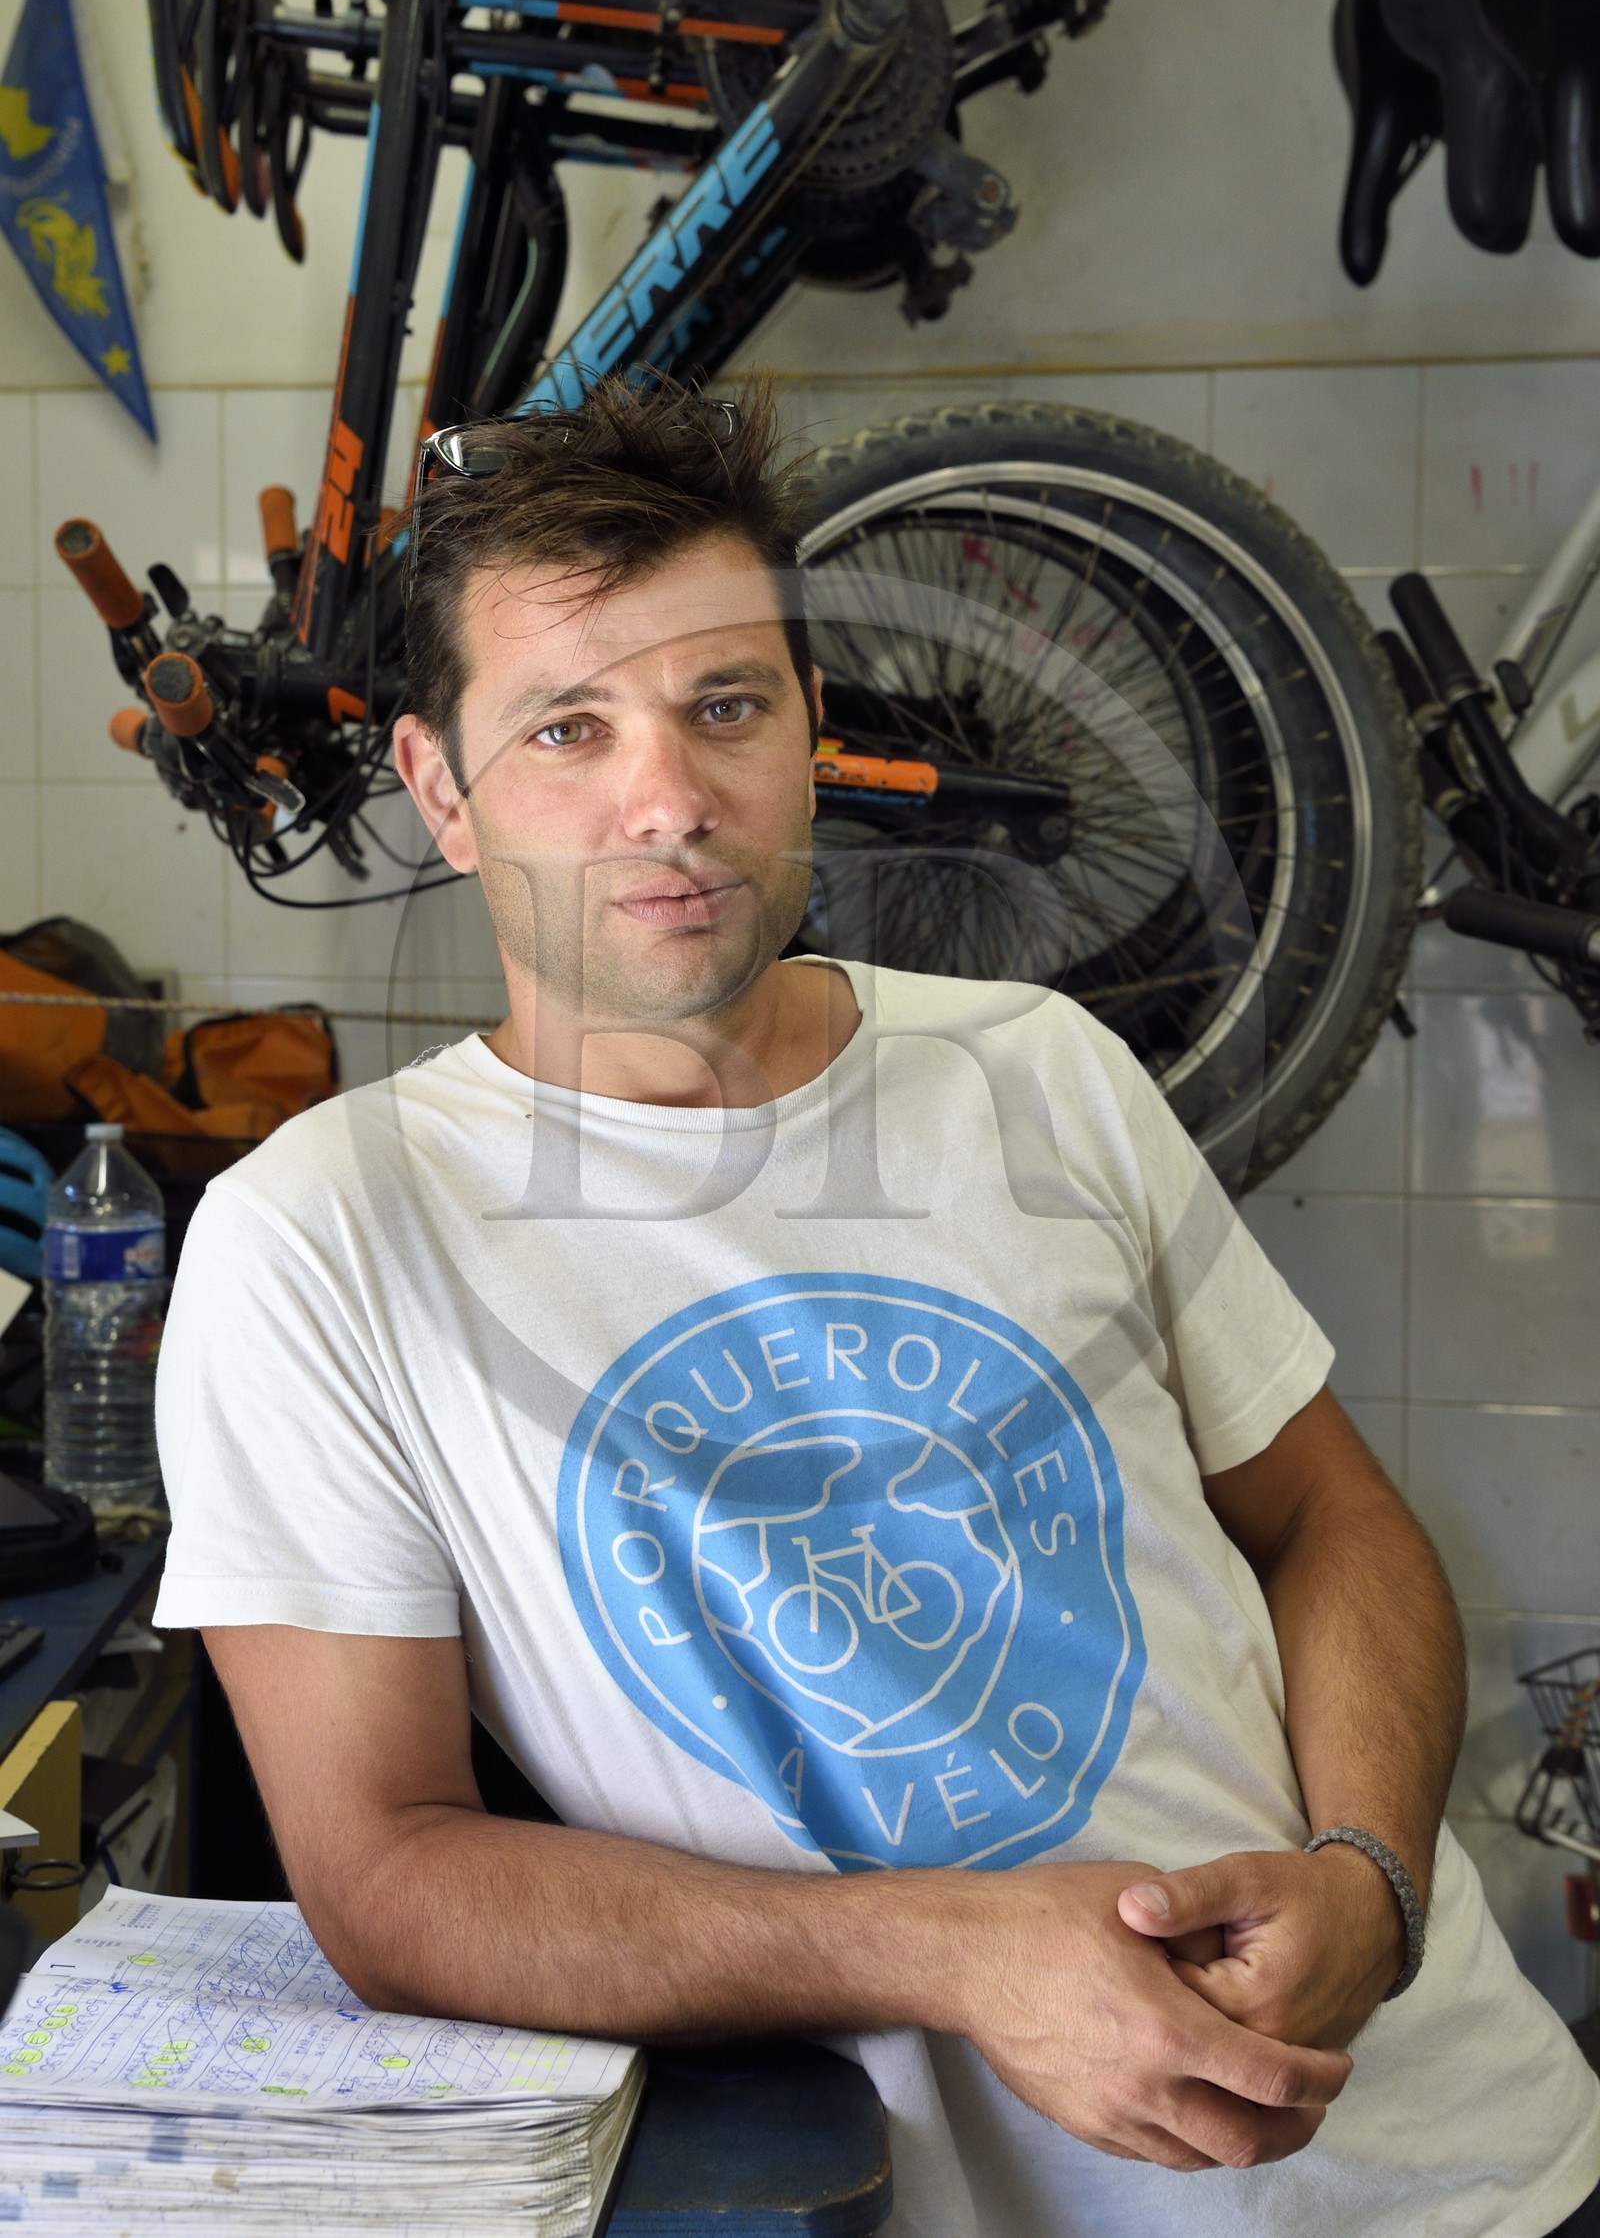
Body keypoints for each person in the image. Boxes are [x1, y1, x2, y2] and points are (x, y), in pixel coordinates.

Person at [154, 378, 1600, 2238]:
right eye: (569, 728)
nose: (669, 800)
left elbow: (1331, 1519)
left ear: (811, 727)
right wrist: (956, 1950)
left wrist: (1372, 1886)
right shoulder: (322, 1237)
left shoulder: (1040, 1066)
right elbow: (386, 1877)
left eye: (724, 707)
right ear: (443, 790)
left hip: (1482, 2164)